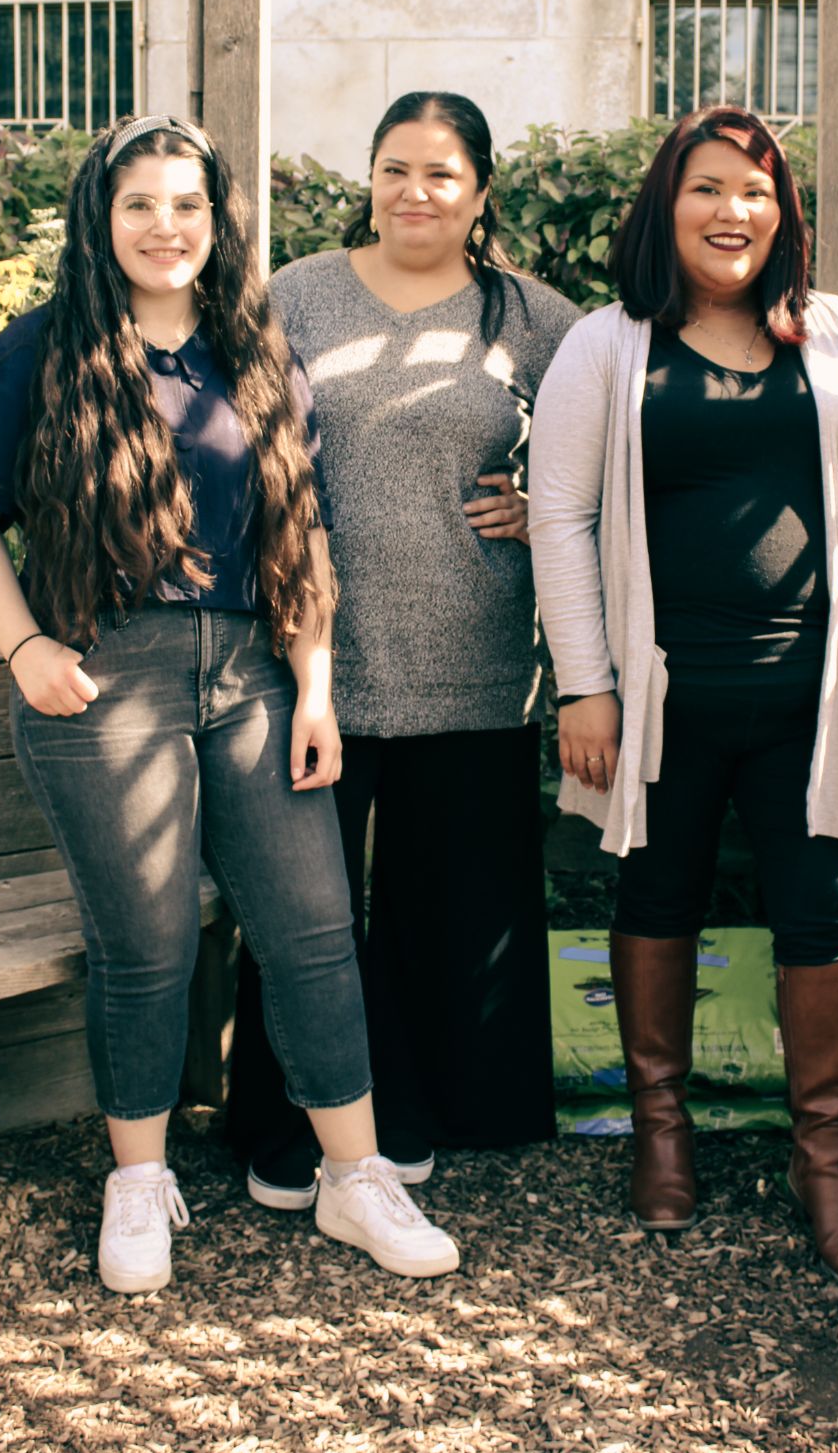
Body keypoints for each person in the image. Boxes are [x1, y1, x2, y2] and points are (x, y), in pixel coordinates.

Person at [0, 114, 461, 1293]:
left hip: (254, 677)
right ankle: (138, 1182)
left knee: (315, 929)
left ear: (218, 220)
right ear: (101, 218)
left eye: (188, 204)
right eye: (140, 205)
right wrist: (21, 642)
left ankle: (354, 1176)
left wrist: (316, 686)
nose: (165, 227)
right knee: (149, 944)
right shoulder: (36, 353)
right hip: (105, 673)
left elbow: (300, 528)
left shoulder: (255, 352)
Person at [527, 105, 838, 1291]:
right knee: (657, 896)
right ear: (666, 207)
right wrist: (587, 684)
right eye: (708, 187)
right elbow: (559, 515)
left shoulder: (832, 333)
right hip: (662, 702)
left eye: (758, 191)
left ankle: (825, 1168)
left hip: (813, 701)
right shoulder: (609, 344)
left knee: (823, 923)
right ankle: (661, 1134)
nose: (734, 210)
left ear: (783, 214)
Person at [225, 91, 579, 1208]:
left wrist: (543, 502)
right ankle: (291, 1121)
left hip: (477, 655)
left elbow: (609, 452)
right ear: (367, 180)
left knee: (457, 902)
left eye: (439, 172)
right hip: (315, 659)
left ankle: (441, 1106)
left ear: (480, 191)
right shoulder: (299, 295)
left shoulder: (534, 316)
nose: (414, 191)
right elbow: (245, 451)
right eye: (393, 169)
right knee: (306, 907)